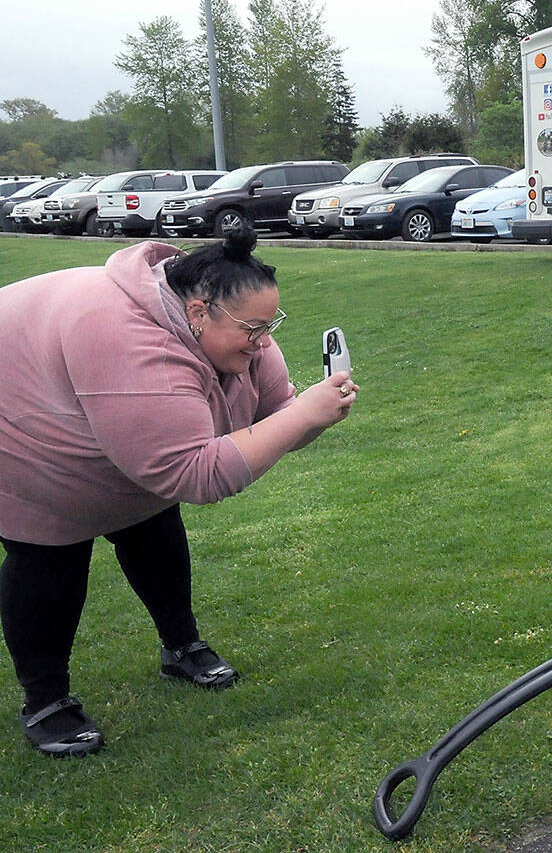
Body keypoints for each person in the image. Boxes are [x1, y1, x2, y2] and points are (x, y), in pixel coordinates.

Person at [0, 229, 358, 758]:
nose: (263, 341)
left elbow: (276, 416)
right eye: (253, 329)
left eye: (269, 326)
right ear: (197, 313)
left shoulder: (234, 323)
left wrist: (314, 416)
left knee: (150, 523)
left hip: (89, 406)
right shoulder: (124, 338)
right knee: (51, 547)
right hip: (20, 418)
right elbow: (193, 474)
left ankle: (181, 645)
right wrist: (304, 414)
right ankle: (46, 700)